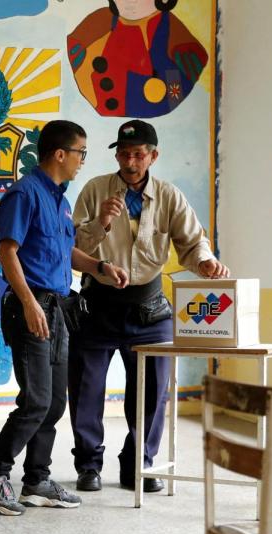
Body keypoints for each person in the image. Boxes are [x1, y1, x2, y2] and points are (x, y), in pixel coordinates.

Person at [0, 120, 129, 516]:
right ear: (61, 154)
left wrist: (99, 266)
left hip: (58, 309)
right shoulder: (24, 195)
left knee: (55, 401)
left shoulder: (58, 200)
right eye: (81, 154)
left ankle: (37, 480)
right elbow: (8, 251)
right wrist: (28, 303)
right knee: (36, 400)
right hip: (32, 308)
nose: (82, 162)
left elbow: (65, 252)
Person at [68, 119, 228, 493]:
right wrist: (101, 223)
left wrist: (204, 261)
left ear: (153, 156)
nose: (130, 161)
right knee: (85, 389)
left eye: (138, 154)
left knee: (154, 391)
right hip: (98, 304)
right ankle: (88, 465)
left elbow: (193, 242)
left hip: (150, 308)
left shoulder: (170, 197)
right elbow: (72, 247)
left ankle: (138, 464)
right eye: (124, 154)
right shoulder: (94, 191)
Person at [66, 0, 207, 118]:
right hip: (104, 106)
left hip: (156, 104)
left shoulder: (171, 28)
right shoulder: (100, 21)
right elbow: (76, 45)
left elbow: (193, 58)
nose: (130, 1)